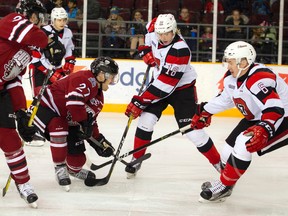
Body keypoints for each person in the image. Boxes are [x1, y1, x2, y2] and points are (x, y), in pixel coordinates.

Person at [124, 14, 221, 179]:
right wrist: (147, 50)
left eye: (167, 33)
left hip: (181, 90)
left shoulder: (180, 50)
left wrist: (141, 101)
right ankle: (137, 158)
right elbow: (148, 36)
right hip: (159, 84)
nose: (163, 37)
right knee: (146, 120)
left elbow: (166, 84)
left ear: (174, 30)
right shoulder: (153, 28)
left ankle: (219, 164)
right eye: (160, 33)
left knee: (193, 132)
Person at [191, 41, 288, 202]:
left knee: (243, 142)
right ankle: (227, 184)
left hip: (282, 116)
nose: (227, 66)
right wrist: (204, 111)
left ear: (243, 62)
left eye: (230, 62)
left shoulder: (259, 77)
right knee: (226, 154)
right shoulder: (232, 77)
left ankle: (224, 186)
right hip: (258, 116)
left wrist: (264, 128)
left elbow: (274, 107)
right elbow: (225, 100)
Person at [33, 57, 118, 191]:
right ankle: (60, 168)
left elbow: (90, 120)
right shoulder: (85, 78)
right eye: (111, 77)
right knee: (59, 128)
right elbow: (74, 103)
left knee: (77, 161)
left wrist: (99, 141)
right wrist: (85, 124)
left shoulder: (98, 96)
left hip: (67, 117)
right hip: (46, 108)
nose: (113, 81)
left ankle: (72, 170)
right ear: (101, 75)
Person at [0, 0, 48, 208]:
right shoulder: (12, 21)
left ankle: (24, 183)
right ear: (27, 14)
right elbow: (40, 37)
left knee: (10, 139)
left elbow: (14, 79)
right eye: (37, 16)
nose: (39, 21)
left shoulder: (27, 49)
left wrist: (20, 112)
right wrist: (50, 41)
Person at [27, 7, 75, 147]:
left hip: (56, 68)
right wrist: (49, 72)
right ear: (53, 20)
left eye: (64, 19)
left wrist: (70, 62)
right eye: (59, 20)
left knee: (53, 99)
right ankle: (31, 129)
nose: (62, 22)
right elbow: (36, 59)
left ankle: (44, 126)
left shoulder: (67, 31)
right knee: (39, 97)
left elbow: (69, 49)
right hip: (39, 68)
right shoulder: (43, 32)